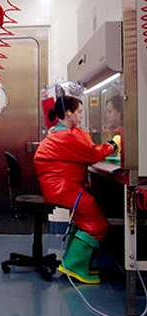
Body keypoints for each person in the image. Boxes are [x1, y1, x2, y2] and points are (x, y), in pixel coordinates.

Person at [34, 95, 120, 284]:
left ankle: (72, 262)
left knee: (85, 217)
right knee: (96, 222)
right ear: (68, 113)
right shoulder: (66, 136)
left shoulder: (60, 133)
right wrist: (114, 144)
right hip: (63, 188)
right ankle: (74, 266)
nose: (81, 116)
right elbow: (92, 153)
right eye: (79, 112)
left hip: (60, 186)